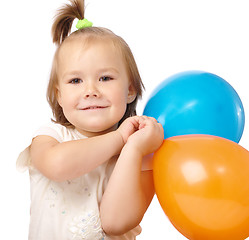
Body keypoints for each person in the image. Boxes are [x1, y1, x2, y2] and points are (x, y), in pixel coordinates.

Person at [16, 0, 164, 239]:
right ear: (59, 95)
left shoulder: (142, 153)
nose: (91, 90)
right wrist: (119, 138)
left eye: (105, 78)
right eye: (76, 81)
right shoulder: (50, 137)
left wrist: (133, 148)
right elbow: (57, 166)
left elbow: (115, 223)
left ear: (130, 89)